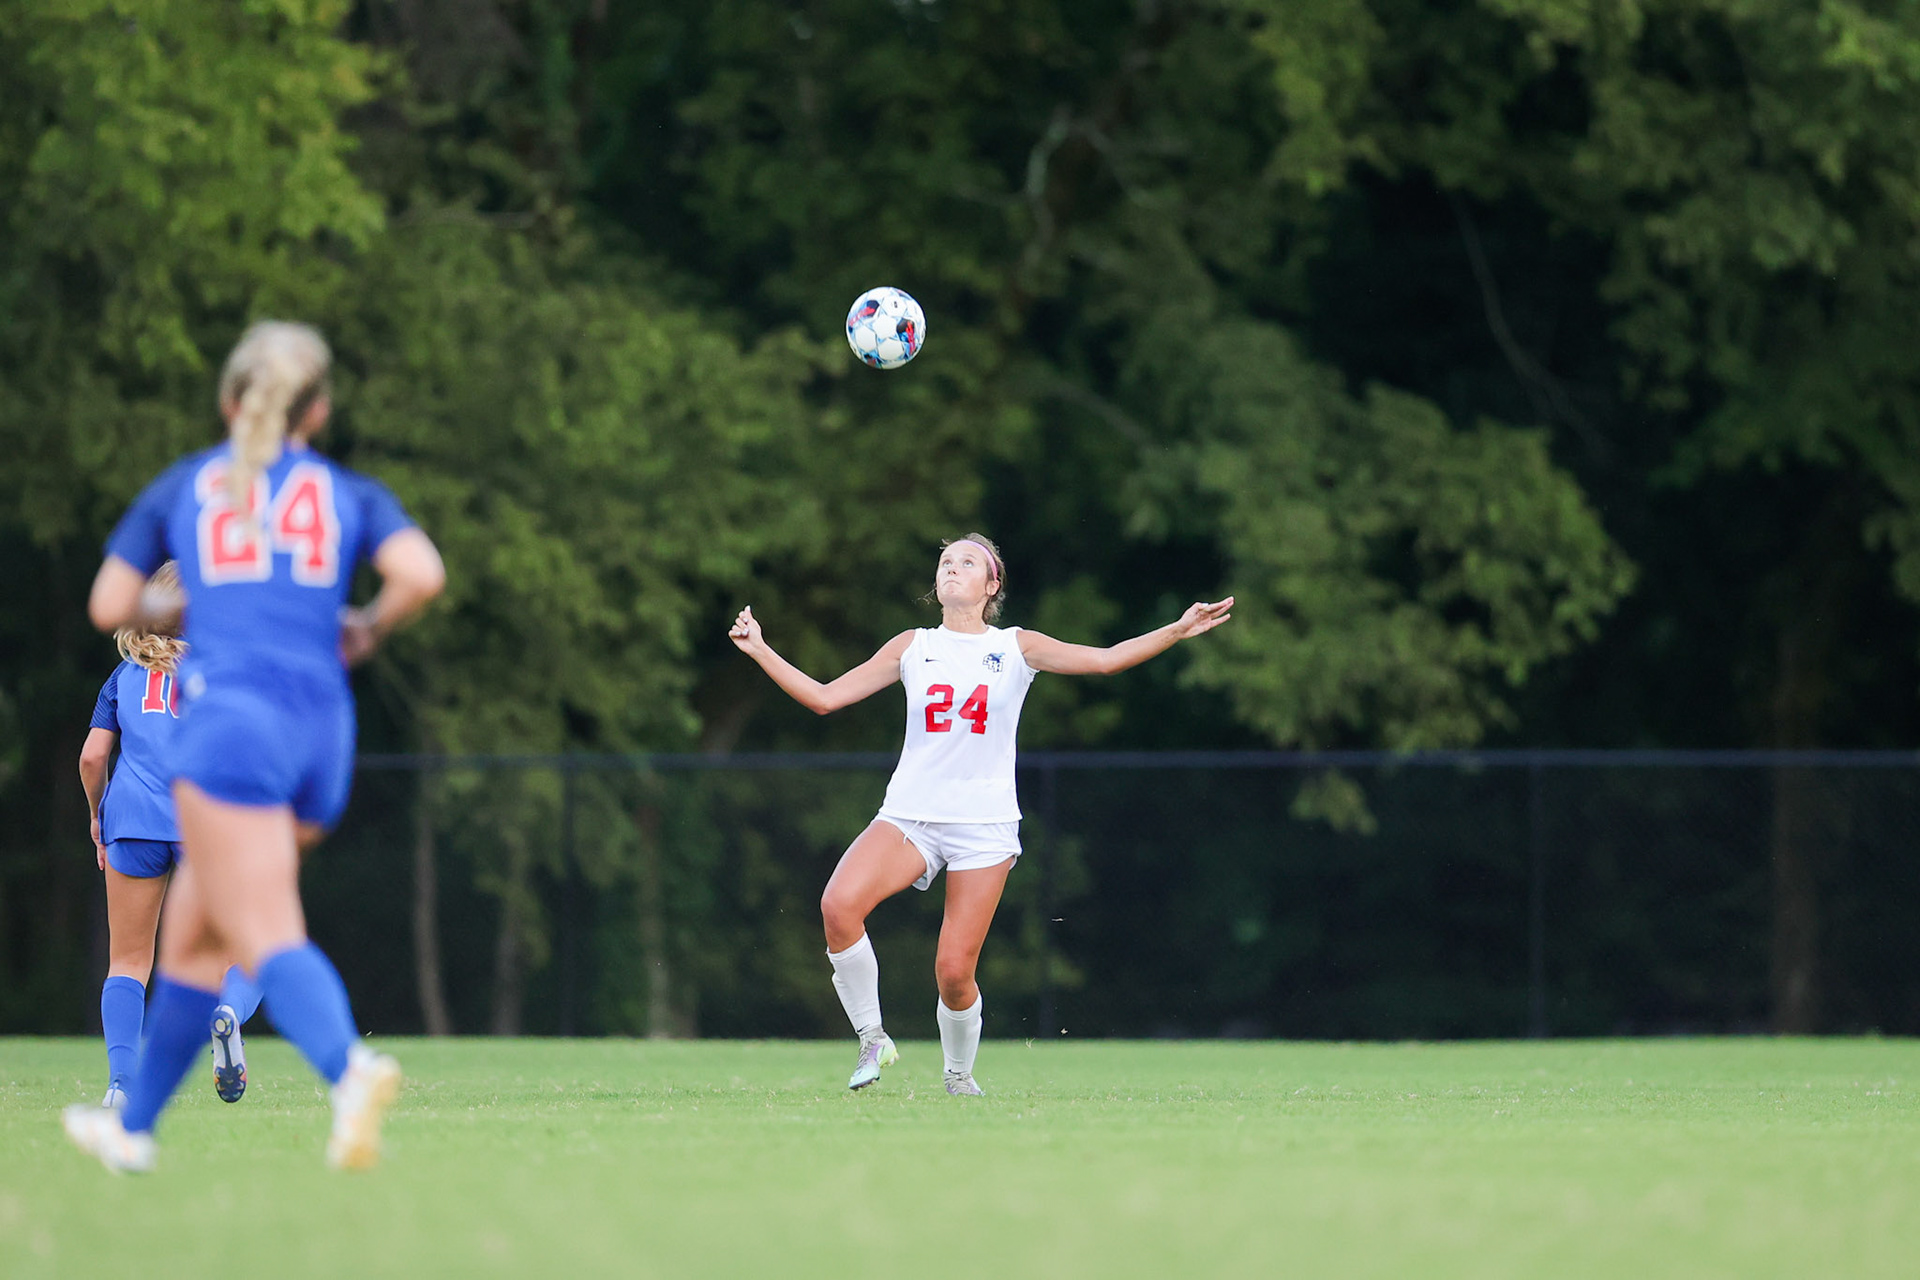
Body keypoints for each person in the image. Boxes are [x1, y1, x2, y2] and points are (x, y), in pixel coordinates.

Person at [64, 320, 445, 1173]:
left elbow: (109, 603)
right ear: (318, 410)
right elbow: (421, 575)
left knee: (262, 923)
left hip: (234, 725)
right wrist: (364, 627)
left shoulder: (189, 487)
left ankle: (349, 1070)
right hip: (323, 731)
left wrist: (192, 606)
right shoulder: (345, 491)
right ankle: (133, 1133)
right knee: (198, 938)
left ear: (230, 401)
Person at [729, 533, 1231, 1095]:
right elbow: (825, 698)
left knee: (953, 972)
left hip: (984, 826)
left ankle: (958, 1074)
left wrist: (1176, 629)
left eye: (968, 563)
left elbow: (1106, 661)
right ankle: (872, 1037)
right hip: (910, 816)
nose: (952, 569)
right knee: (838, 905)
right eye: (945, 562)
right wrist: (760, 649)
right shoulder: (912, 646)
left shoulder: (1016, 646)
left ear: (992, 586)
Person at [79, 561, 264, 1109]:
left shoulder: (123, 676)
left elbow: (92, 757)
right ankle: (226, 1012)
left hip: (131, 820)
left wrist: (97, 815)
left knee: (129, 960)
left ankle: (120, 1086)